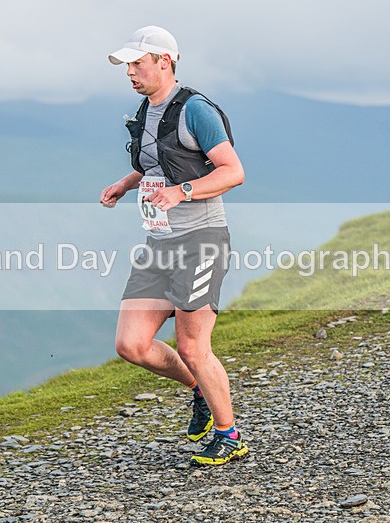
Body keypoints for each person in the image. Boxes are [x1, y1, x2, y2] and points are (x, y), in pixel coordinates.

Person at [99, 26, 248, 466]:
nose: (130, 72)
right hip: (159, 242)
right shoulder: (145, 111)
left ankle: (229, 435)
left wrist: (182, 192)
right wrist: (127, 183)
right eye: (127, 65)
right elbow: (154, 164)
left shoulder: (196, 110)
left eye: (137, 64)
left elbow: (233, 172)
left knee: (193, 347)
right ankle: (200, 389)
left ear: (164, 60)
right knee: (131, 345)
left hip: (201, 240)